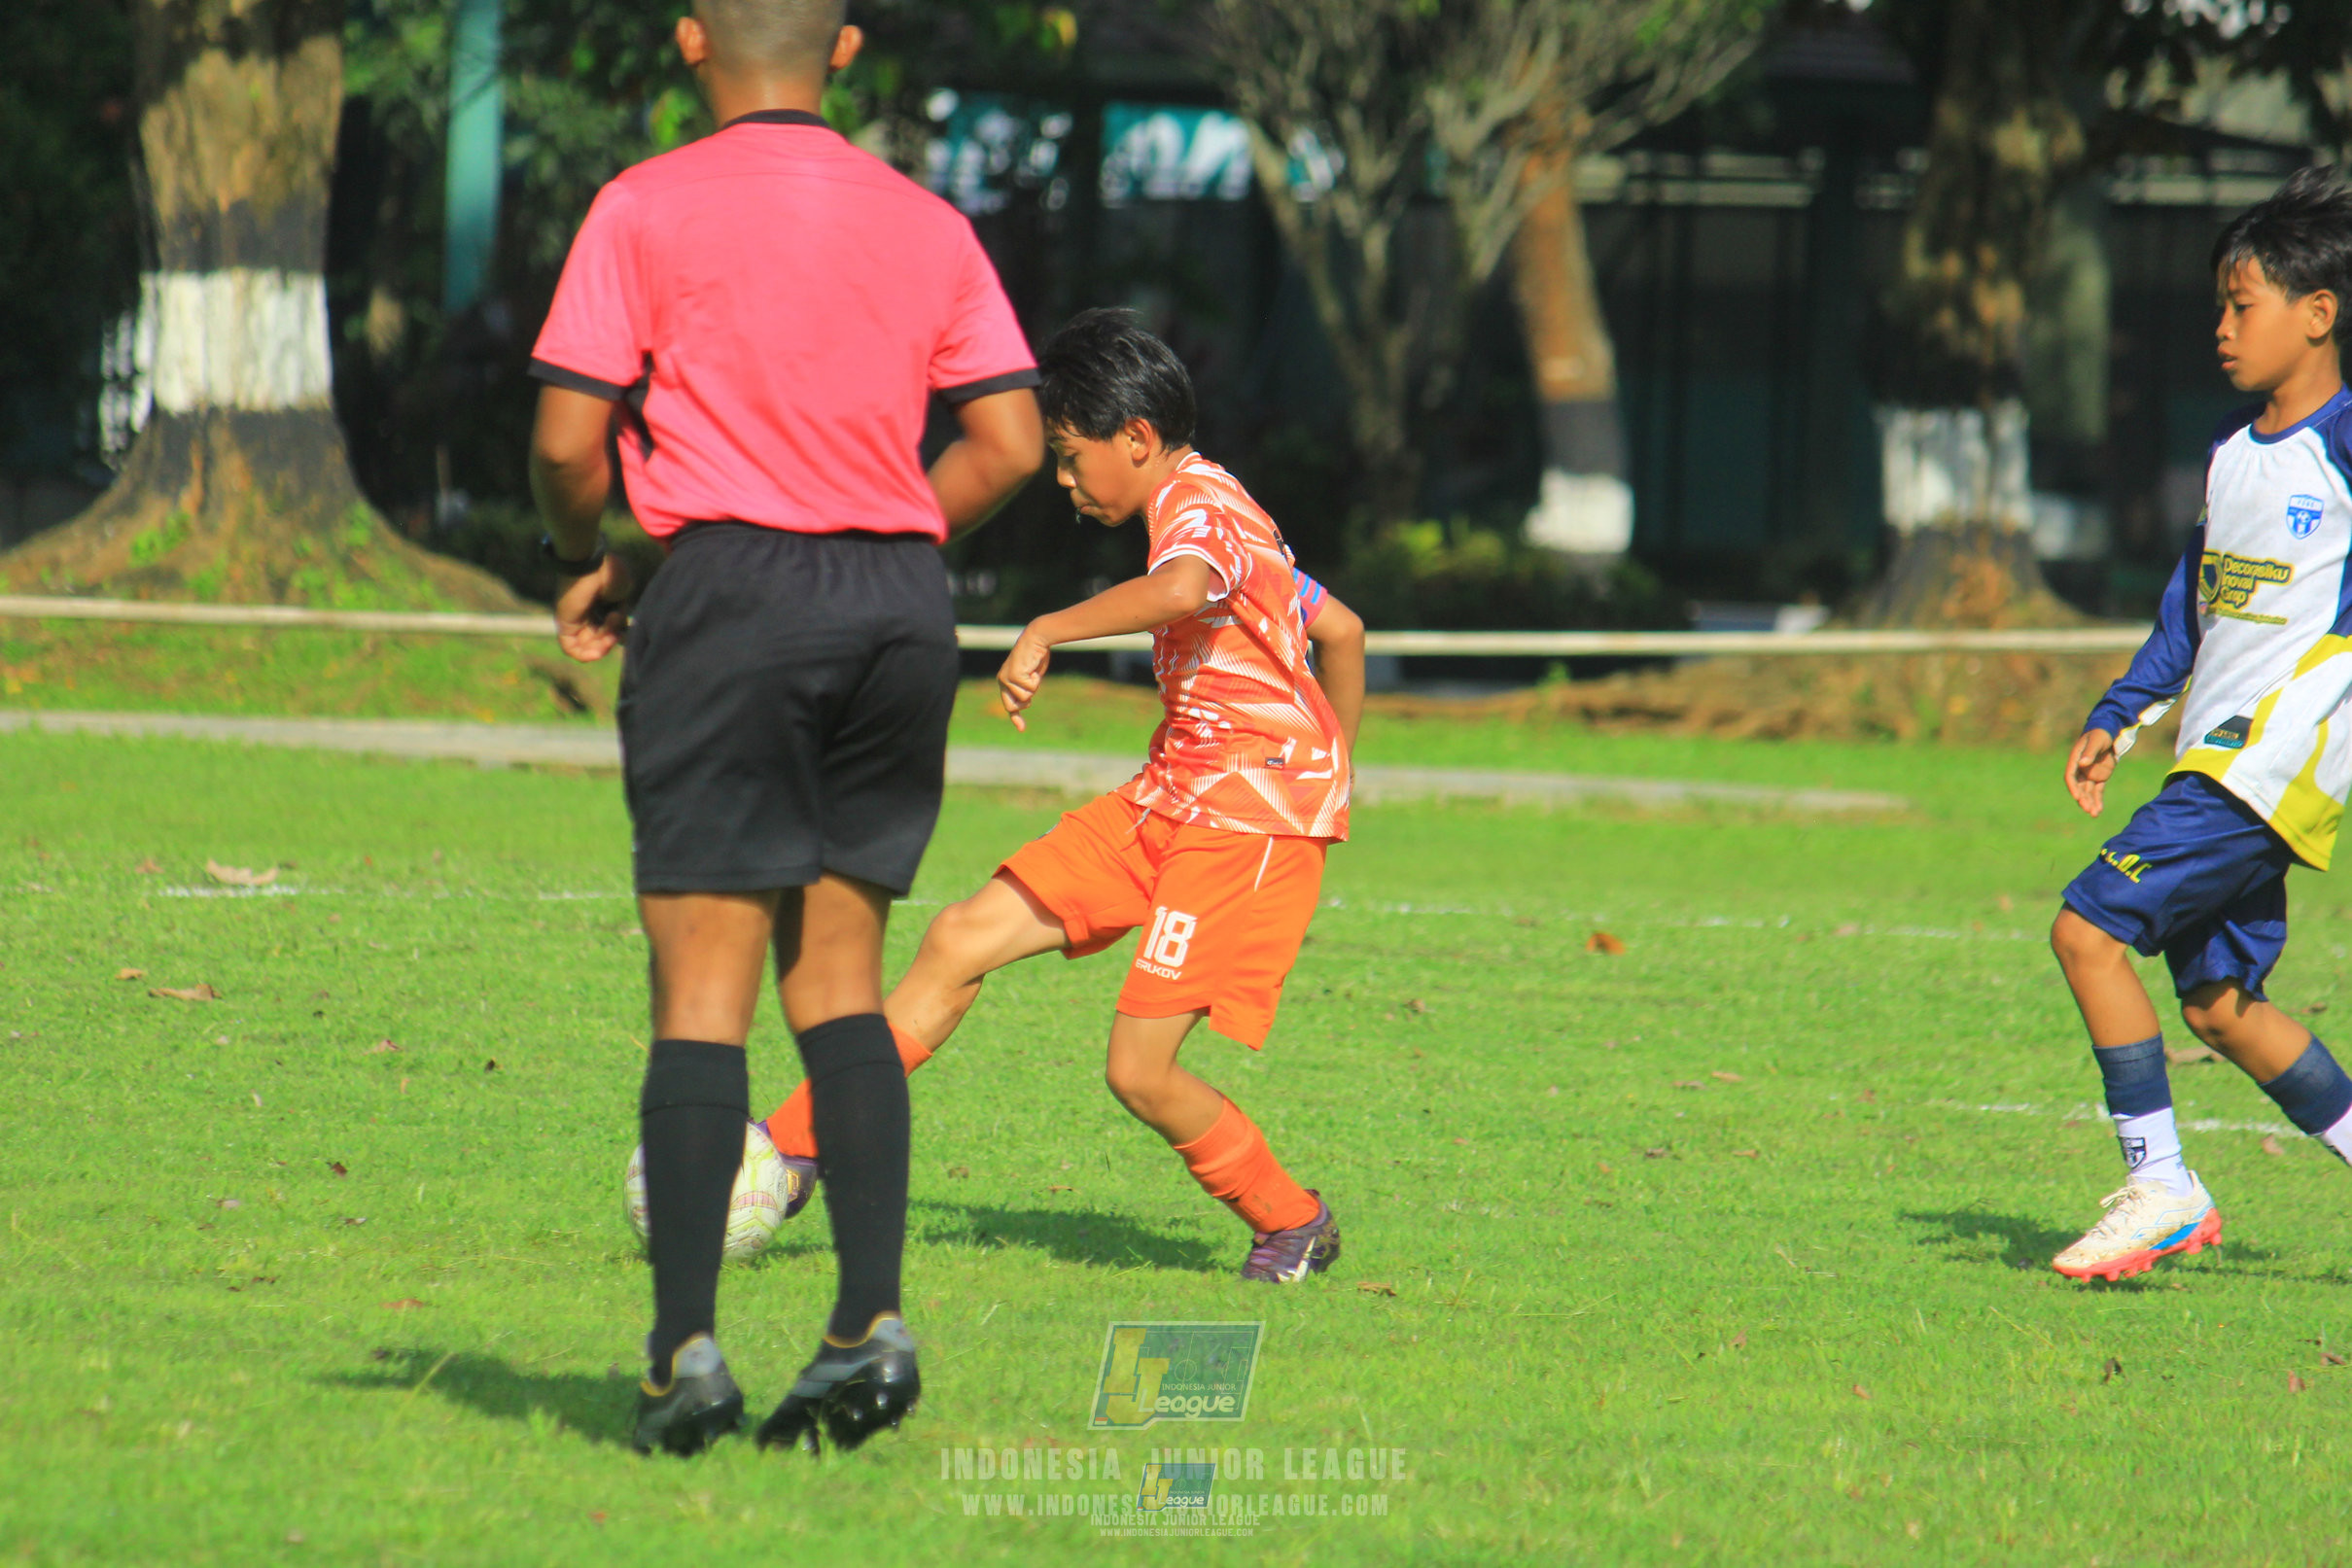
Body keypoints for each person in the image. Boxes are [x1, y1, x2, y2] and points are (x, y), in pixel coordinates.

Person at [527, 0, 1042, 1455]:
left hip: (730, 587)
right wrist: (879, 528)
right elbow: (1004, 440)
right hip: (897, 604)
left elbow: (571, 443)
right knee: (841, 973)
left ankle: (683, 1354)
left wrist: (602, 547)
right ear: (846, 51)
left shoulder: (641, 207)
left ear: (690, 41)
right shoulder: (929, 224)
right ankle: (861, 1322)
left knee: (704, 981)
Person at [755, 308, 1361, 1282]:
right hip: (1168, 796)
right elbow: (1344, 630)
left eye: (1075, 458)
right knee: (959, 935)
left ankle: (1293, 1218)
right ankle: (789, 1151)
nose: (1065, 479)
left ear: (1138, 440)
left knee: (1138, 1071)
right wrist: (1337, 772)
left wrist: (1044, 627)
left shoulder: (1200, 511)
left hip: (1239, 820)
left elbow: (1181, 591)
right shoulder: (1221, 506)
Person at [2050, 166, 2352, 1282]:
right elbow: (2192, 604)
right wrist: (2120, 709)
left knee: (2087, 930)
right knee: (2222, 1005)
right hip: (2216, 758)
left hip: (2265, 765)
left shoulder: (2347, 442)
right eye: (2220, 307)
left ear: (2318, 313)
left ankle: (2162, 1182)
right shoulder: (2231, 457)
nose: (2221, 329)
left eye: (2243, 305)